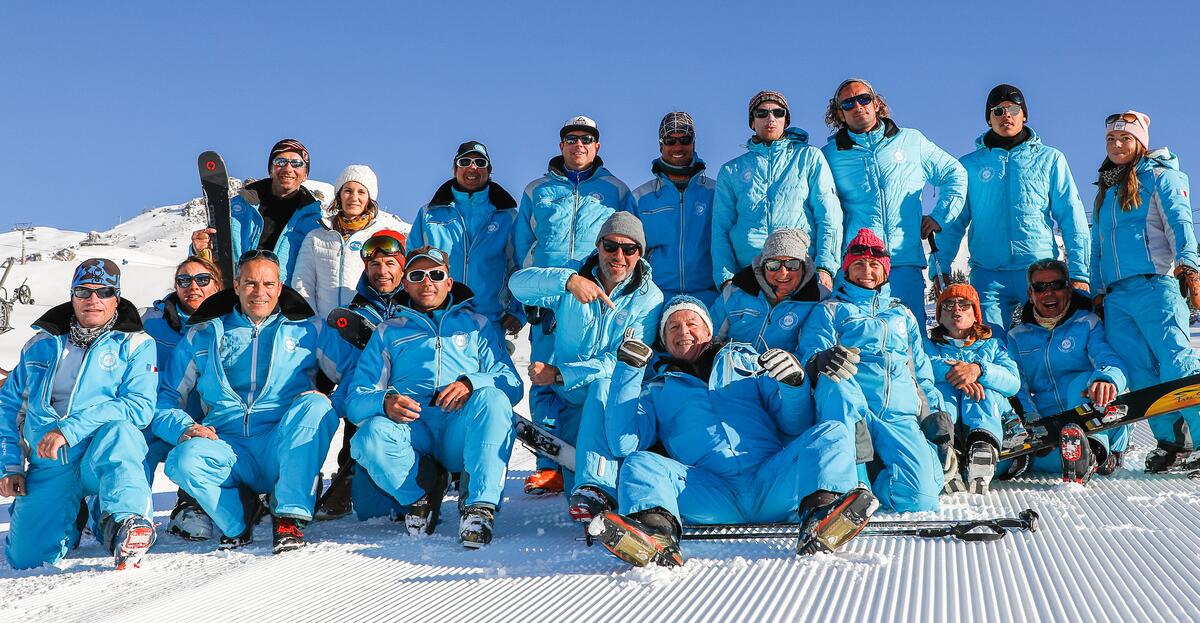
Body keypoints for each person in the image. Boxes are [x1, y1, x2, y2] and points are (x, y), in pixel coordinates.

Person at [589, 297, 874, 567]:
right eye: (673, 327)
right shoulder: (658, 389)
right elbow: (623, 443)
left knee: (831, 432)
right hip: (710, 492)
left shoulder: (747, 364)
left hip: (770, 479)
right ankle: (655, 534)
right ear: (664, 341)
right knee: (639, 462)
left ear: (708, 330)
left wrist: (793, 385)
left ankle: (821, 516)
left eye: (692, 324)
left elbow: (794, 425)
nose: (683, 331)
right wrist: (628, 371)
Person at [158, 250, 344, 554]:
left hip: (280, 443)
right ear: (236, 285)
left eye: (268, 284)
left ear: (280, 287)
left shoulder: (309, 328)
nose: (260, 292)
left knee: (316, 406)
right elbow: (165, 397)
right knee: (182, 460)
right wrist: (184, 427)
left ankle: (289, 515)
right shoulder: (203, 333)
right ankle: (238, 519)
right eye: (250, 283)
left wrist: (333, 401)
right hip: (228, 445)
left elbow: (354, 374)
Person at [345, 246, 523, 548]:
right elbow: (356, 400)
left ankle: (478, 508)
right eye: (417, 275)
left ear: (449, 282)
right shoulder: (389, 332)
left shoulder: (477, 326)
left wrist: (472, 382)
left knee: (493, 400)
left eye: (436, 274)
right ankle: (420, 496)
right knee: (368, 437)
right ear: (406, 282)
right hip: (413, 432)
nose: (427, 282)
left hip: (459, 430)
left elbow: (512, 384)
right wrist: (384, 401)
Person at [0, 259, 158, 570]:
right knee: (25, 558)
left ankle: (124, 520)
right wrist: (10, 465)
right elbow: (8, 407)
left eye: (104, 292)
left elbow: (139, 406)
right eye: (83, 291)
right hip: (51, 461)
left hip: (101, 451)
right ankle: (71, 516)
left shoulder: (136, 343)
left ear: (117, 297)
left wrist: (69, 429)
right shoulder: (40, 344)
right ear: (72, 296)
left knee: (121, 432)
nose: (93, 300)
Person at [509, 212, 663, 517]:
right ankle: (584, 477)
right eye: (610, 246)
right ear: (598, 246)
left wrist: (563, 374)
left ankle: (595, 489)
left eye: (629, 249)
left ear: (639, 254)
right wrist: (567, 281)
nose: (618, 255)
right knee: (576, 469)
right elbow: (518, 285)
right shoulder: (573, 277)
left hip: (611, 404)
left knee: (604, 386)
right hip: (569, 401)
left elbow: (624, 362)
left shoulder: (649, 299)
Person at [513, 116, 634, 495]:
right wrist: (529, 299)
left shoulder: (615, 190)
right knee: (543, 376)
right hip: (548, 300)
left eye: (587, 139)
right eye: (570, 139)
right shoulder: (537, 190)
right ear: (561, 144)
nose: (578, 145)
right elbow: (521, 246)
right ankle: (549, 462)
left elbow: (629, 240)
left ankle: (589, 455)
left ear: (598, 146)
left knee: (586, 375)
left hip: (594, 299)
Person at [797, 228, 946, 512]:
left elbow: (921, 371)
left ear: (885, 270)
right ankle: (850, 482)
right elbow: (812, 355)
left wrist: (933, 414)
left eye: (874, 265)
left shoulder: (902, 314)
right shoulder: (830, 310)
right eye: (858, 264)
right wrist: (820, 359)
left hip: (898, 415)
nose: (866, 271)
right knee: (836, 377)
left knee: (922, 499)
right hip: (852, 411)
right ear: (847, 270)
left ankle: (876, 473)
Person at [934, 84, 1091, 338]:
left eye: (1013, 109)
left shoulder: (1050, 159)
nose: (1006, 115)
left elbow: (1071, 216)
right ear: (989, 118)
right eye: (997, 111)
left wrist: (1080, 273)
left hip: (1039, 270)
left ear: (1024, 114)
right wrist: (939, 266)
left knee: (1052, 341)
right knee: (988, 341)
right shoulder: (969, 166)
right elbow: (954, 222)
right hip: (989, 274)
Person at [1090, 110, 1200, 473]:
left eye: (1125, 138)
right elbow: (1098, 245)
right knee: (1140, 372)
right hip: (1117, 296)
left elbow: (1180, 223)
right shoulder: (1106, 187)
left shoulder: (1160, 176)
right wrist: (1097, 290)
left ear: (1139, 142)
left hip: (1156, 286)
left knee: (1177, 363)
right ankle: (1172, 442)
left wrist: (1190, 267)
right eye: (1111, 139)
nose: (1117, 145)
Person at [821, 78, 968, 322]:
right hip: (857, 267)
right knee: (855, 340)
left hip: (903, 263)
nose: (858, 106)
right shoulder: (829, 156)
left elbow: (955, 174)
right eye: (848, 103)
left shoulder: (912, 141)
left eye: (864, 98)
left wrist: (941, 216)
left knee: (911, 340)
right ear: (839, 113)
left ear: (877, 103)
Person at [314, 230, 408, 521]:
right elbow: (336, 365)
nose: (382, 272)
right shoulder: (354, 312)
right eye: (375, 265)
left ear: (403, 266)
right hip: (368, 392)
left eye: (390, 264)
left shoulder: (417, 301)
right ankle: (348, 474)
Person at [1006, 259, 1128, 482]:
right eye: (1040, 287)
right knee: (1034, 459)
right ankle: (1073, 457)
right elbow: (1017, 383)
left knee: (1080, 381)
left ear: (1069, 288)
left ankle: (1095, 451)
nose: (1049, 293)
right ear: (1030, 293)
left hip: (1091, 409)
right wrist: (1031, 418)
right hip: (1052, 421)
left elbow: (1109, 358)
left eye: (1057, 285)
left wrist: (1106, 379)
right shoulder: (1018, 336)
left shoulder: (1087, 323)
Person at [712, 90, 842, 292]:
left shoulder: (809, 158)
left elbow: (828, 216)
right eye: (761, 113)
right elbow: (720, 230)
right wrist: (726, 279)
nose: (770, 119)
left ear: (786, 120)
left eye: (778, 113)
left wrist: (825, 266)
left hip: (798, 268)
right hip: (748, 274)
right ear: (752, 122)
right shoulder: (731, 171)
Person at [141, 256, 224, 540]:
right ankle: (130, 512)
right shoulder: (152, 321)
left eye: (203, 280)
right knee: (139, 444)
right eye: (184, 280)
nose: (193, 287)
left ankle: (192, 504)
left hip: (208, 416)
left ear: (218, 285)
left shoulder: (229, 321)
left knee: (211, 436)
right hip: (158, 412)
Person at [408, 141, 524, 337]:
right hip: (437, 320)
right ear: (455, 169)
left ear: (489, 170)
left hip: (489, 321)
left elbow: (519, 266)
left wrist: (517, 312)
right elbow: (410, 266)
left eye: (479, 162)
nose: (472, 167)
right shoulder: (429, 214)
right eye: (465, 161)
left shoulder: (507, 216)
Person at [924, 282, 1021, 494]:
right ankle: (947, 453)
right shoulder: (928, 346)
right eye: (948, 305)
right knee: (938, 389)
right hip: (949, 422)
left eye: (964, 304)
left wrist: (979, 370)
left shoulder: (993, 345)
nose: (956, 309)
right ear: (939, 316)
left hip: (990, 420)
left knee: (983, 390)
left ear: (976, 314)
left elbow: (1013, 382)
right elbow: (919, 367)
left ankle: (983, 448)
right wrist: (956, 371)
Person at [191, 138, 326, 282]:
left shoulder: (314, 222)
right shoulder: (239, 207)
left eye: (297, 163)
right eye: (280, 162)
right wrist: (199, 250)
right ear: (271, 170)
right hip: (236, 290)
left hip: (282, 298)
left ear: (305, 174)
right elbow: (213, 255)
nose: (288, 169)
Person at [291, 164, 406, 321]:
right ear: (339, 195)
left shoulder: (379, 237)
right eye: (348, 191)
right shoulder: (317, 237)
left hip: (364, 325)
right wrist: (313, 323)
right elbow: (302, 284)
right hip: (323, 328)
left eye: (361, 192)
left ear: (369, 198)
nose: (354, 197)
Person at [631, 112, 719, 305]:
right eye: (670, 140)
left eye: (685, 139)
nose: (677, 147)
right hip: (654, 298)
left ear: (694, 143)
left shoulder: (717, 192)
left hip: (708, 296)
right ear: (661, 144)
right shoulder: (639, 198)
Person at [710, 229, 826, 353]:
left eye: (792, 264)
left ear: (804, 268)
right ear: (762, 267)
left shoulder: (817, 302)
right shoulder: (734, 293)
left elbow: (812, 351)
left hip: (780, 370)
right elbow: (710, 337)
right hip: (731, 367)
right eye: (773, 265)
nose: (783, 272)